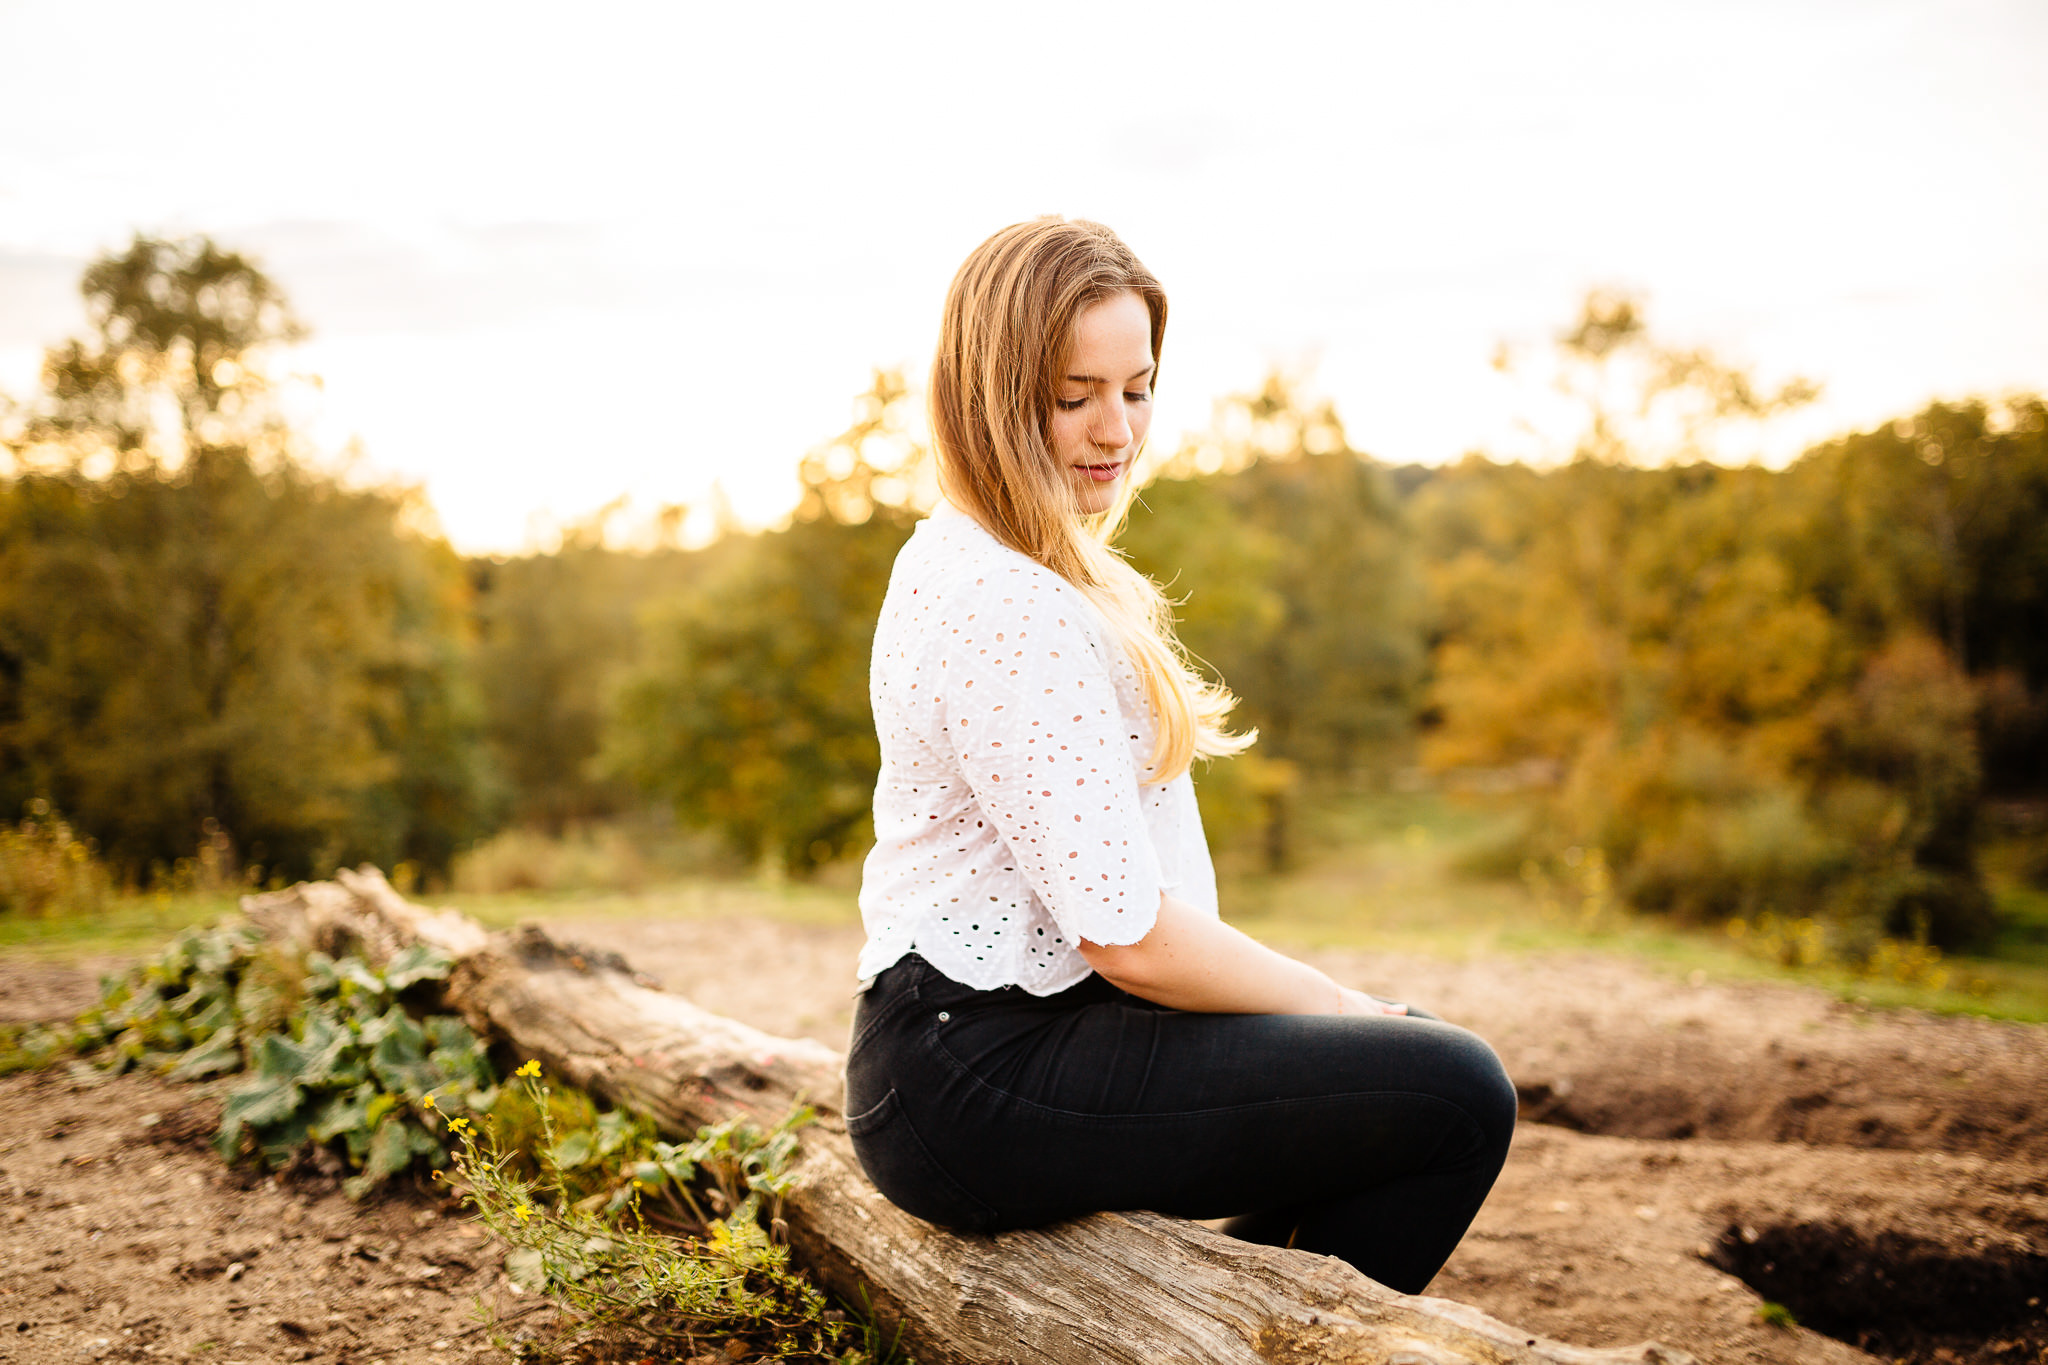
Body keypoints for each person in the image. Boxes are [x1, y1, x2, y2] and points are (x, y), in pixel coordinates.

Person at [844, 216, 1515, 1295]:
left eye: (1136, 387)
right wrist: (1342, 1004)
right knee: (1455, 1094)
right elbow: (1129, 938)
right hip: (975, 1071)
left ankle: (1231, 1323)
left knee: (1410, 1070)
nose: (1115, 429)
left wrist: (1348, 1022)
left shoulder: (995, 556)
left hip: (979, 1051)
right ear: (991, 395)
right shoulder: (1008, 601)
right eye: (1073, 396)